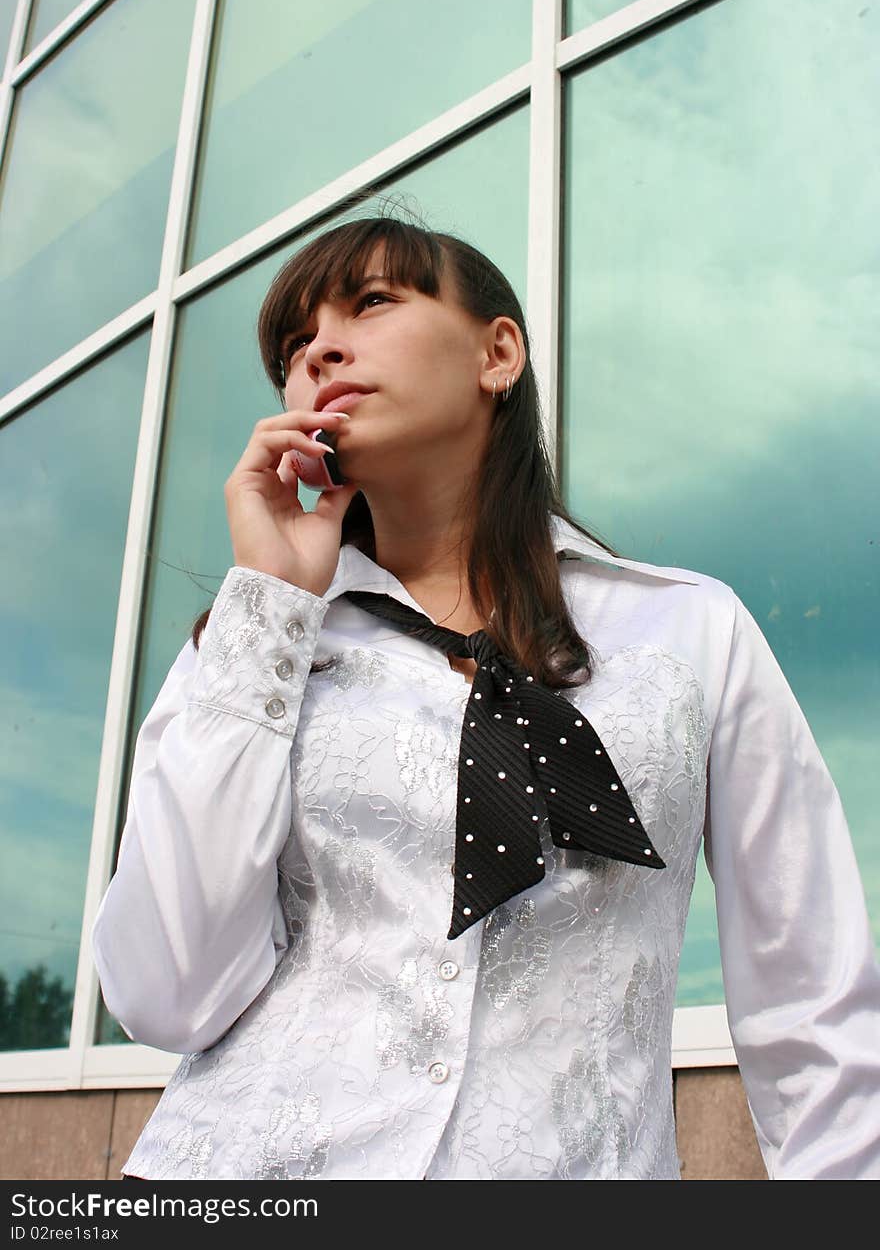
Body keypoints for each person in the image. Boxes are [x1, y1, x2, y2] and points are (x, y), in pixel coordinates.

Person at [92, 213, 880, 1180]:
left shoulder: (688, 633)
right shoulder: (250, 648)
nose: (320, 350)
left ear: (497, 352)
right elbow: (167, 994)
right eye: (295, 349)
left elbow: (813, 991)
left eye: (371, 303)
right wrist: (271, 610)